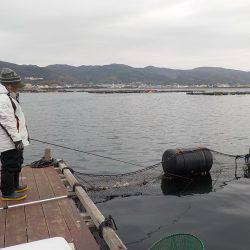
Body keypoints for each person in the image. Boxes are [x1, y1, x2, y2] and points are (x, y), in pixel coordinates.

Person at [0, 68, 29, 200]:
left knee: (16, 162)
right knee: (9, 165)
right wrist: (17, 140)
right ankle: (7, 192)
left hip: (13, 138)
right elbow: (8, 122)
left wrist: (20, 138)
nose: (17, 88)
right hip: (8, 140)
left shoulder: (7, 97)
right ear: (9, 85)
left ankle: (14, 186)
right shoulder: (3, 99)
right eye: (16, 85)